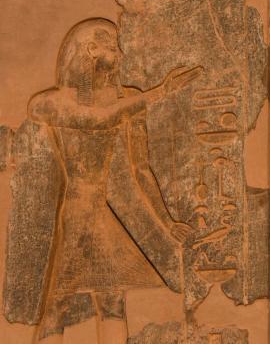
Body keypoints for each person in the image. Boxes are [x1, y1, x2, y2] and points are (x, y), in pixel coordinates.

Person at [8, 18, 197, 343]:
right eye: (112, 47)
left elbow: (140, 171)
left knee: (112, 301)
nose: (120, 54)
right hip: (79, 213)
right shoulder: (49, 103)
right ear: (90, 50)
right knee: (58, 302)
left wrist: (166, 222)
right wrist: (160, 93)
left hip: (109, 216)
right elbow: (97, 119)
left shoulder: (126, 99)